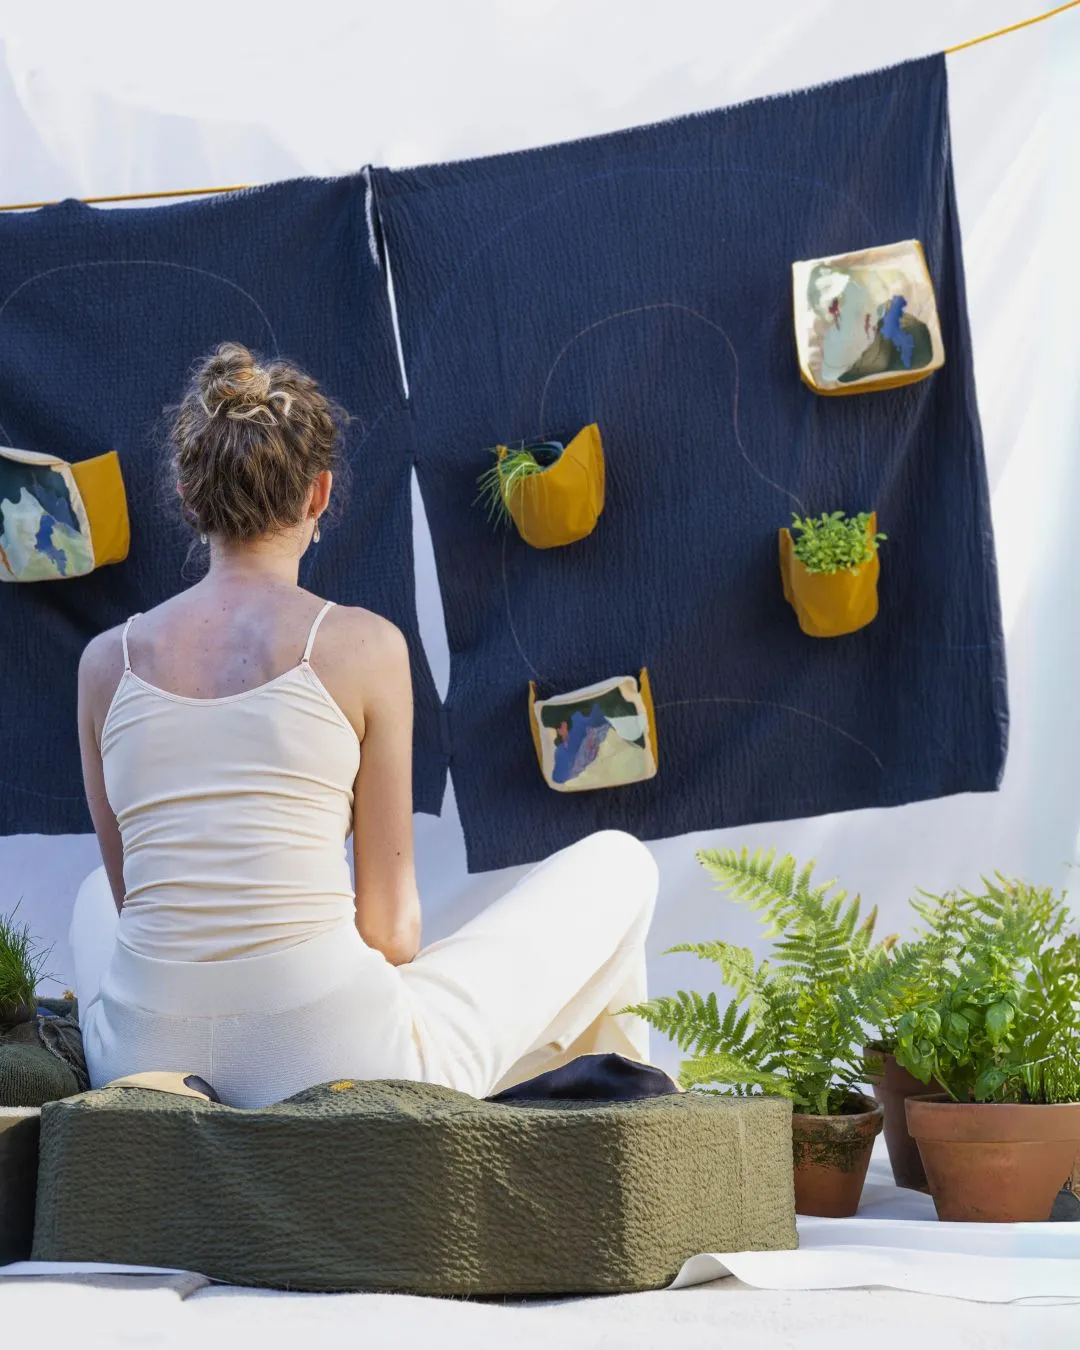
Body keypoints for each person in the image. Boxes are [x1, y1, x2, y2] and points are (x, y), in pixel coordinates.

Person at [72, 342, 658, 1110]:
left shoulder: (102, 664)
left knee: (89, 895)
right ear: (319, 494)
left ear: (188, 496)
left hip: (144, 1053)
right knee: (619, 862)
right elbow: (389, 935)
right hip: (335, 1054)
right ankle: (607, 1139)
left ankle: (182, 1110)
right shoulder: (362, 647)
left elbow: (130, 902)